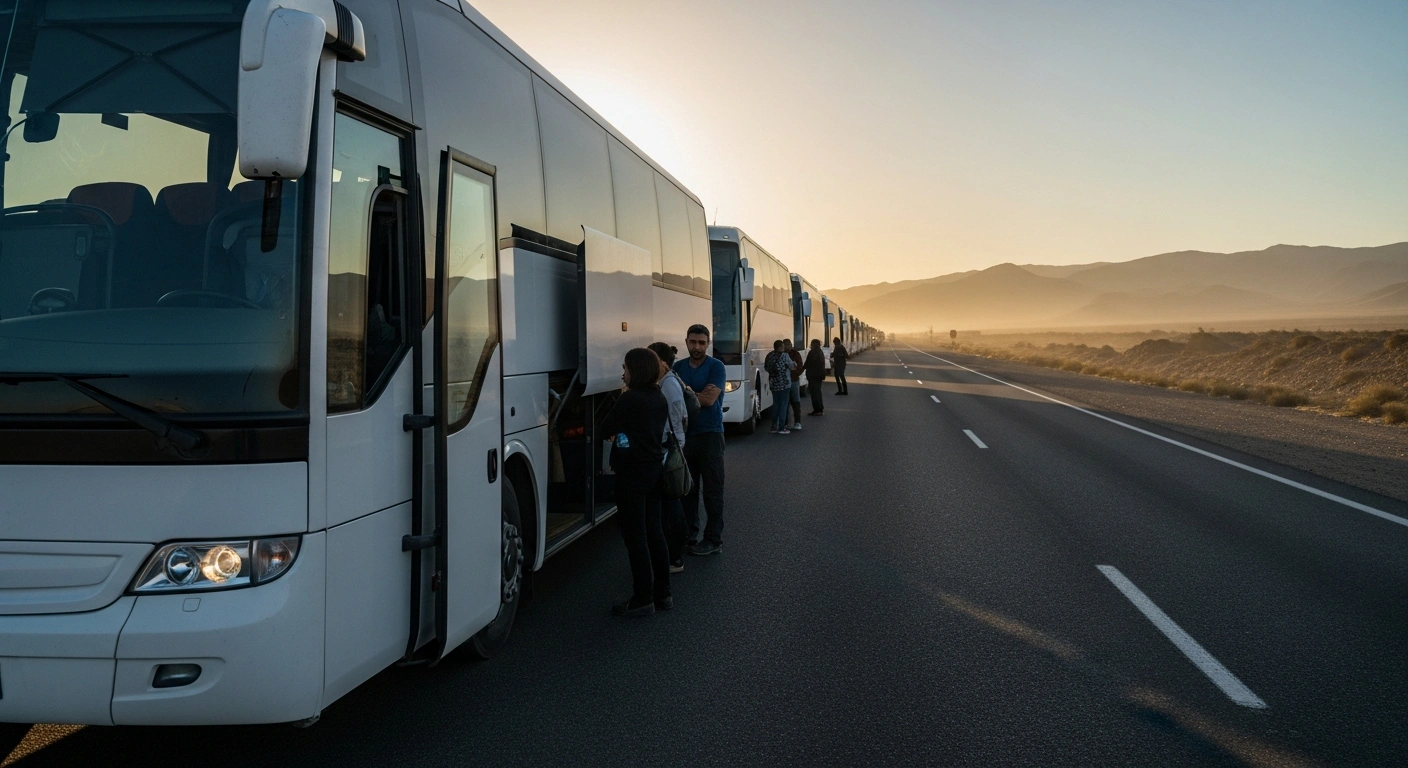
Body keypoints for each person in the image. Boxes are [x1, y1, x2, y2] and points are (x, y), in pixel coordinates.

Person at [600, 347, 671, 616]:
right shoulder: (659, 397)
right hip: (654, 470)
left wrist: (618, 433)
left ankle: (643, 598)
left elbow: (605, 429)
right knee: (655, 532)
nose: (623, 373)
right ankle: (663, 593)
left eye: (626, 368)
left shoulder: (630, 400)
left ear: (636, 370)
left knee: (635, 537)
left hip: (631, 474)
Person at [672, 324, 727, 556]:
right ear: (686, 342)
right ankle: (688, 535)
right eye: (693, 342)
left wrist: (684, 392)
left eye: (702, 343)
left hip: (711, 435)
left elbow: (708, 401)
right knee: (687, 491)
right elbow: (680, 398)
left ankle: (713, 540)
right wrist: (697, 392)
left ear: (708, 343)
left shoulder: (716, 367)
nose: (697, 347)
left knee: (712, 491)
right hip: (685, 437)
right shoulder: (678, 367)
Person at [648, 341, 688, 574]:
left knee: (671, 506)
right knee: (668, 505)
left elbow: (677, 419)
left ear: (661, 363)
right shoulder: (663, 382)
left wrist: (675, 449)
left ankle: (674, 557)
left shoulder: (669, 384)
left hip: (668, 451)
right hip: (666, 449)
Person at [764, 339, 795, 434]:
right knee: (783, 405)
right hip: (784, 384)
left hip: (773, 384)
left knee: (776, 405)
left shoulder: (769, 355)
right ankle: (782, 427)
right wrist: (795, 363)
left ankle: (773, 427)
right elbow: (792, 366)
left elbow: (766, 367)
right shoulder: (784, 355)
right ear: (781, 347)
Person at [784, 339, 805, 430]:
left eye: (788, 345)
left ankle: (797, 422)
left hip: (793, 381)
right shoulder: (781, 354)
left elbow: (800, 366)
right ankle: (785, 422)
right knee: (785, 403)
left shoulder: (795, 354)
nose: (787, 346)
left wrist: (795, 374)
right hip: (785, 382)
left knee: (795, 402)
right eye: (786, 345)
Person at [804, 338, 827, 415]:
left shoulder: (813, 352)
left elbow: (807, 363)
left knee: (814, 393)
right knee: (817, 392)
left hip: (813, 376)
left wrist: (799, 370)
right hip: (819, 376)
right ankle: (819, 409)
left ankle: (817, 410)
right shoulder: (820, 352)